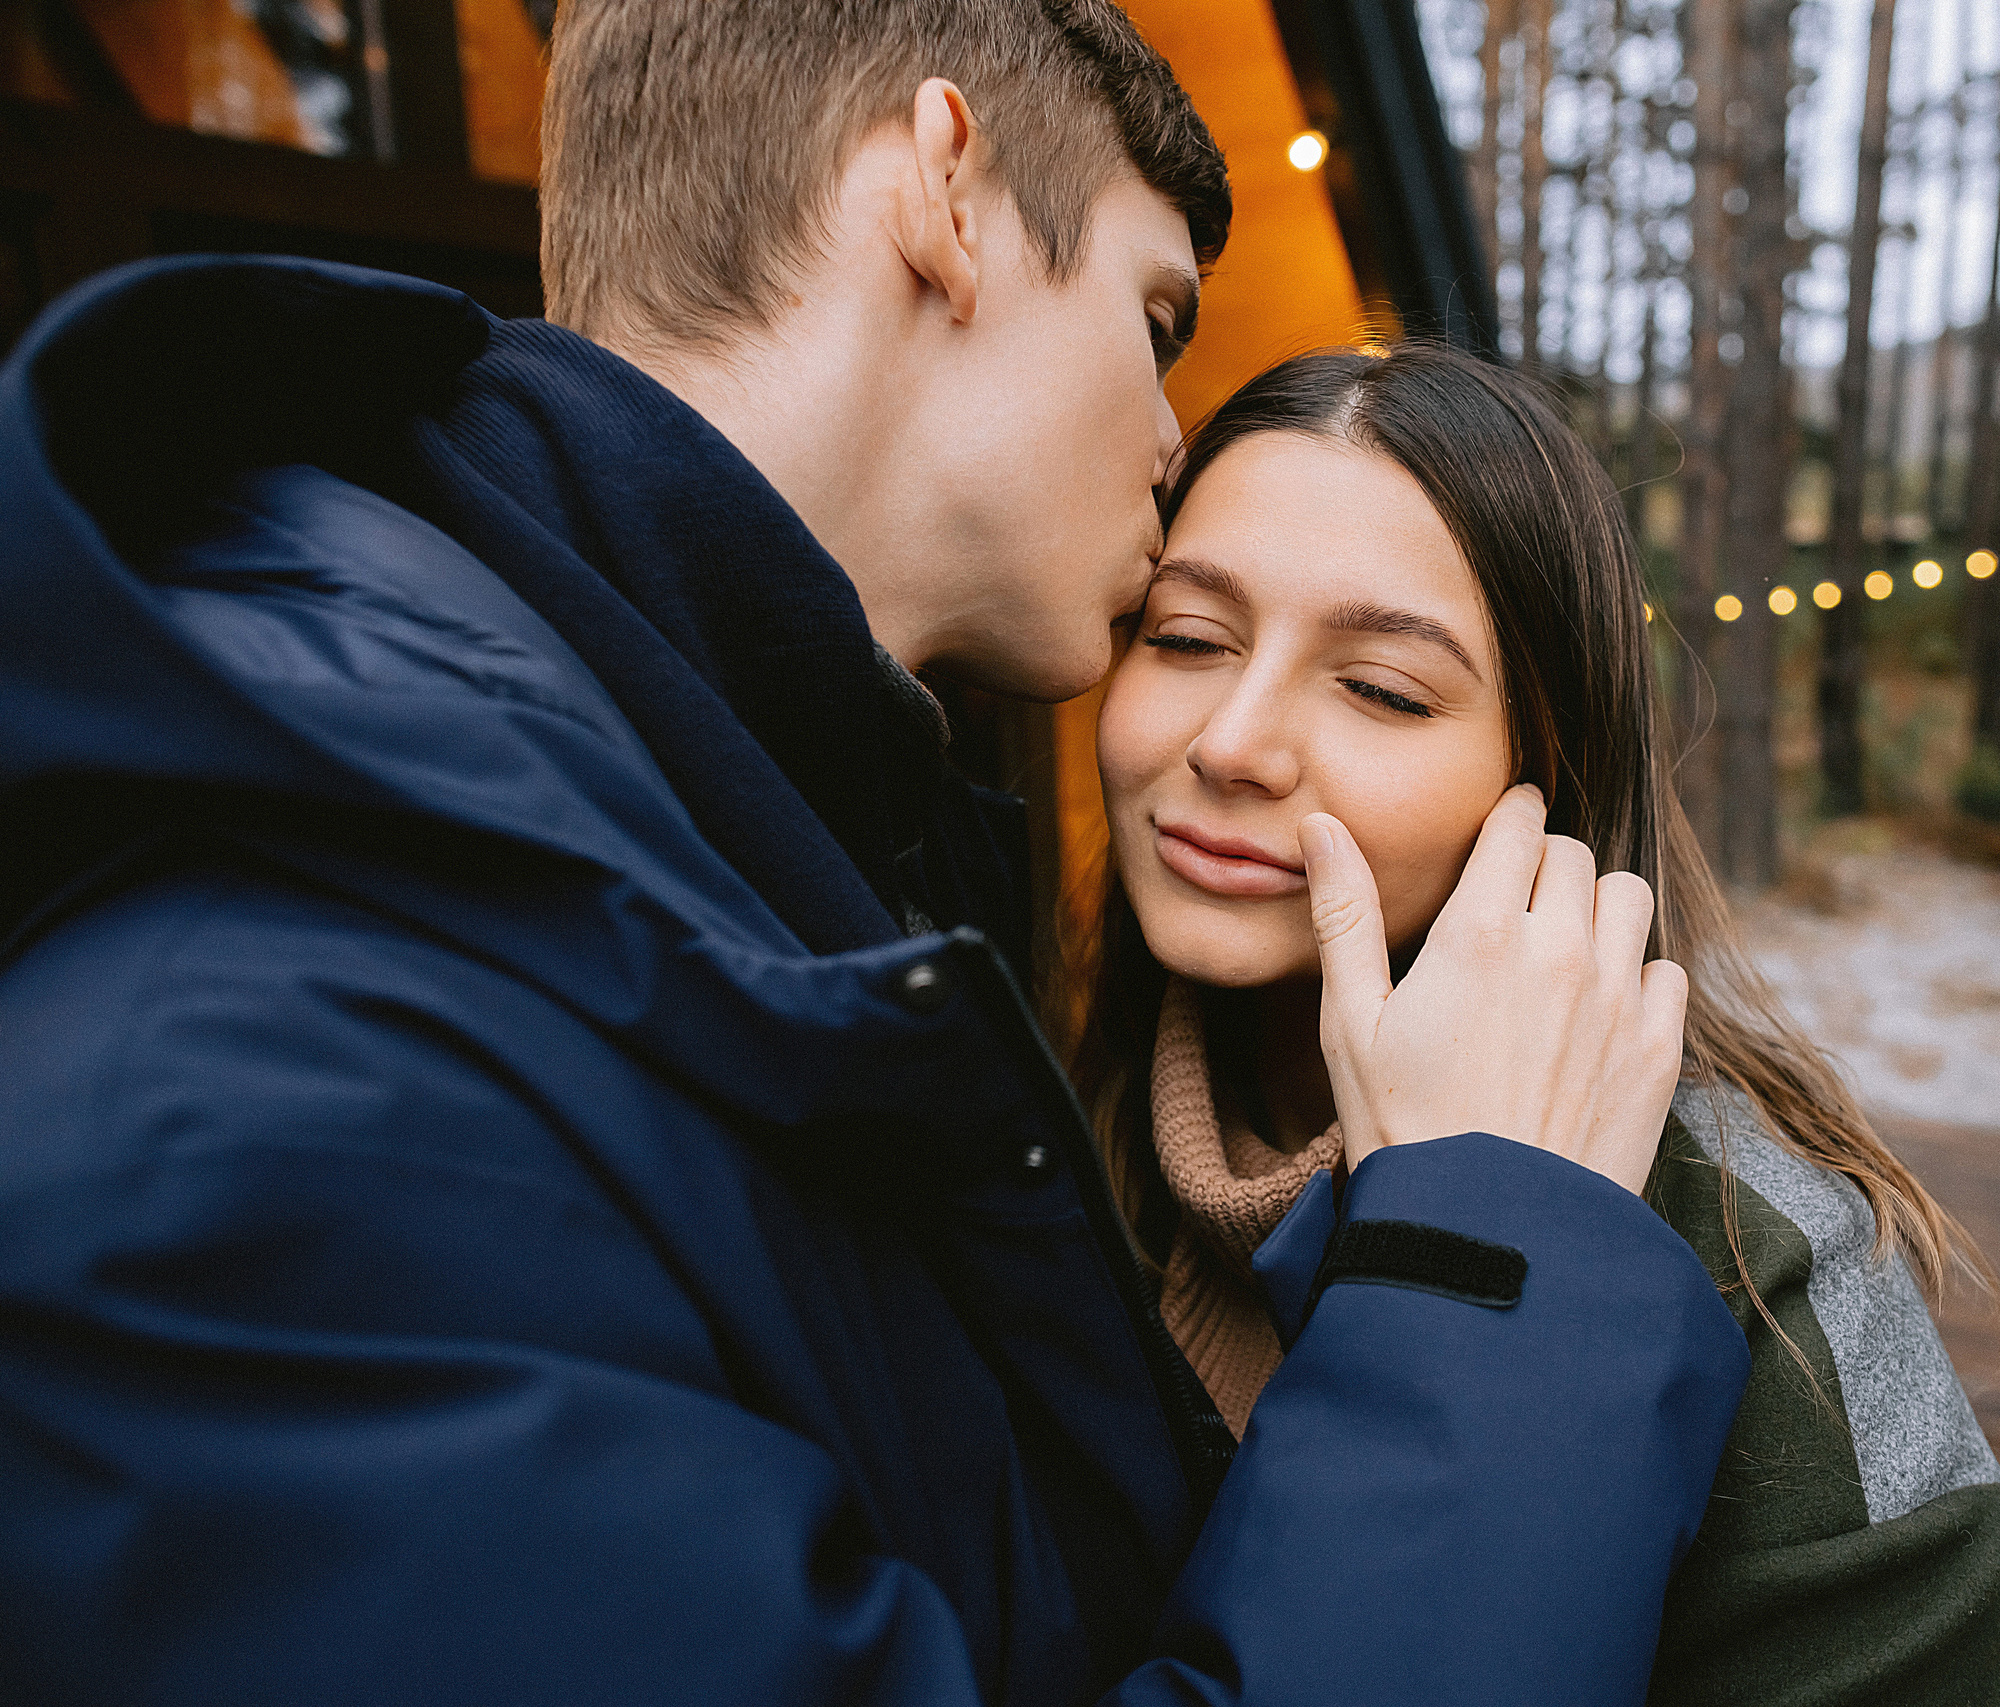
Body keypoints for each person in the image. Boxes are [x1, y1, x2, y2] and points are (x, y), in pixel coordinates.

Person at [0, 3, 1752, 1703]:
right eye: (1156, 318)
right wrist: (1488, 1294)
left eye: (1377, 682)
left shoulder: (721, 856)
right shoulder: (287, 1088)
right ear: (943, 190)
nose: (1169, 436)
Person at [1062, 345, 2000, 1704]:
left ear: (1547, 776)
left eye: (1383, 689)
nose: (1231, 740)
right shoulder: (1030, 1131)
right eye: (1186, 638)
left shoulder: (1767, 1269)